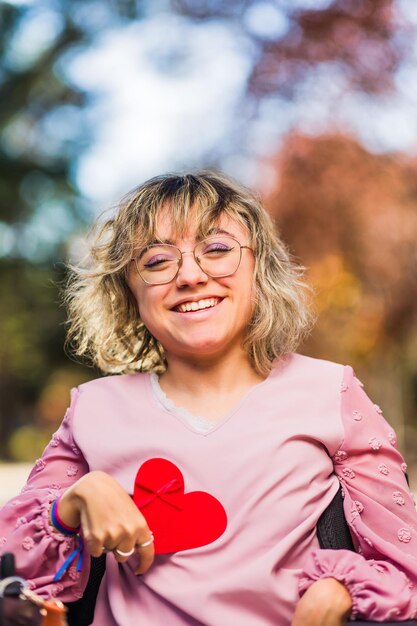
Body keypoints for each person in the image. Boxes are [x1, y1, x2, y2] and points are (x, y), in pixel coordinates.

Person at [1, 170, 417, 626]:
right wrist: (68, 508)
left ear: (261, 268)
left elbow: (404, 566)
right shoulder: (93, 410)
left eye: (217, 250)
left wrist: (340, 591)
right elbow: (13, 574)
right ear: (127, 291)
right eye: (157, 261)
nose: (191, 275)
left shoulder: (329, 391)